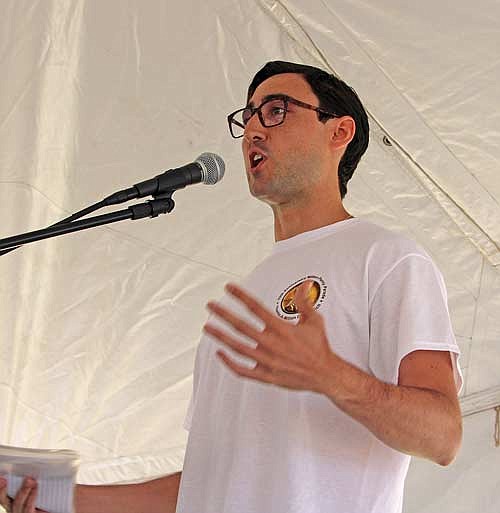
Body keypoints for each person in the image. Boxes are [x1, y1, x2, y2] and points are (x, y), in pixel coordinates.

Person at [0, 60, 463, 513]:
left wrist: (331, 376)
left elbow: (443, 437)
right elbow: (210, 478)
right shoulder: (249, 293)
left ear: (338, 132)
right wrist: (64, 500)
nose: (254, 131)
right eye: (248, 118)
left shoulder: (386, 258)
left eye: (276, 110)